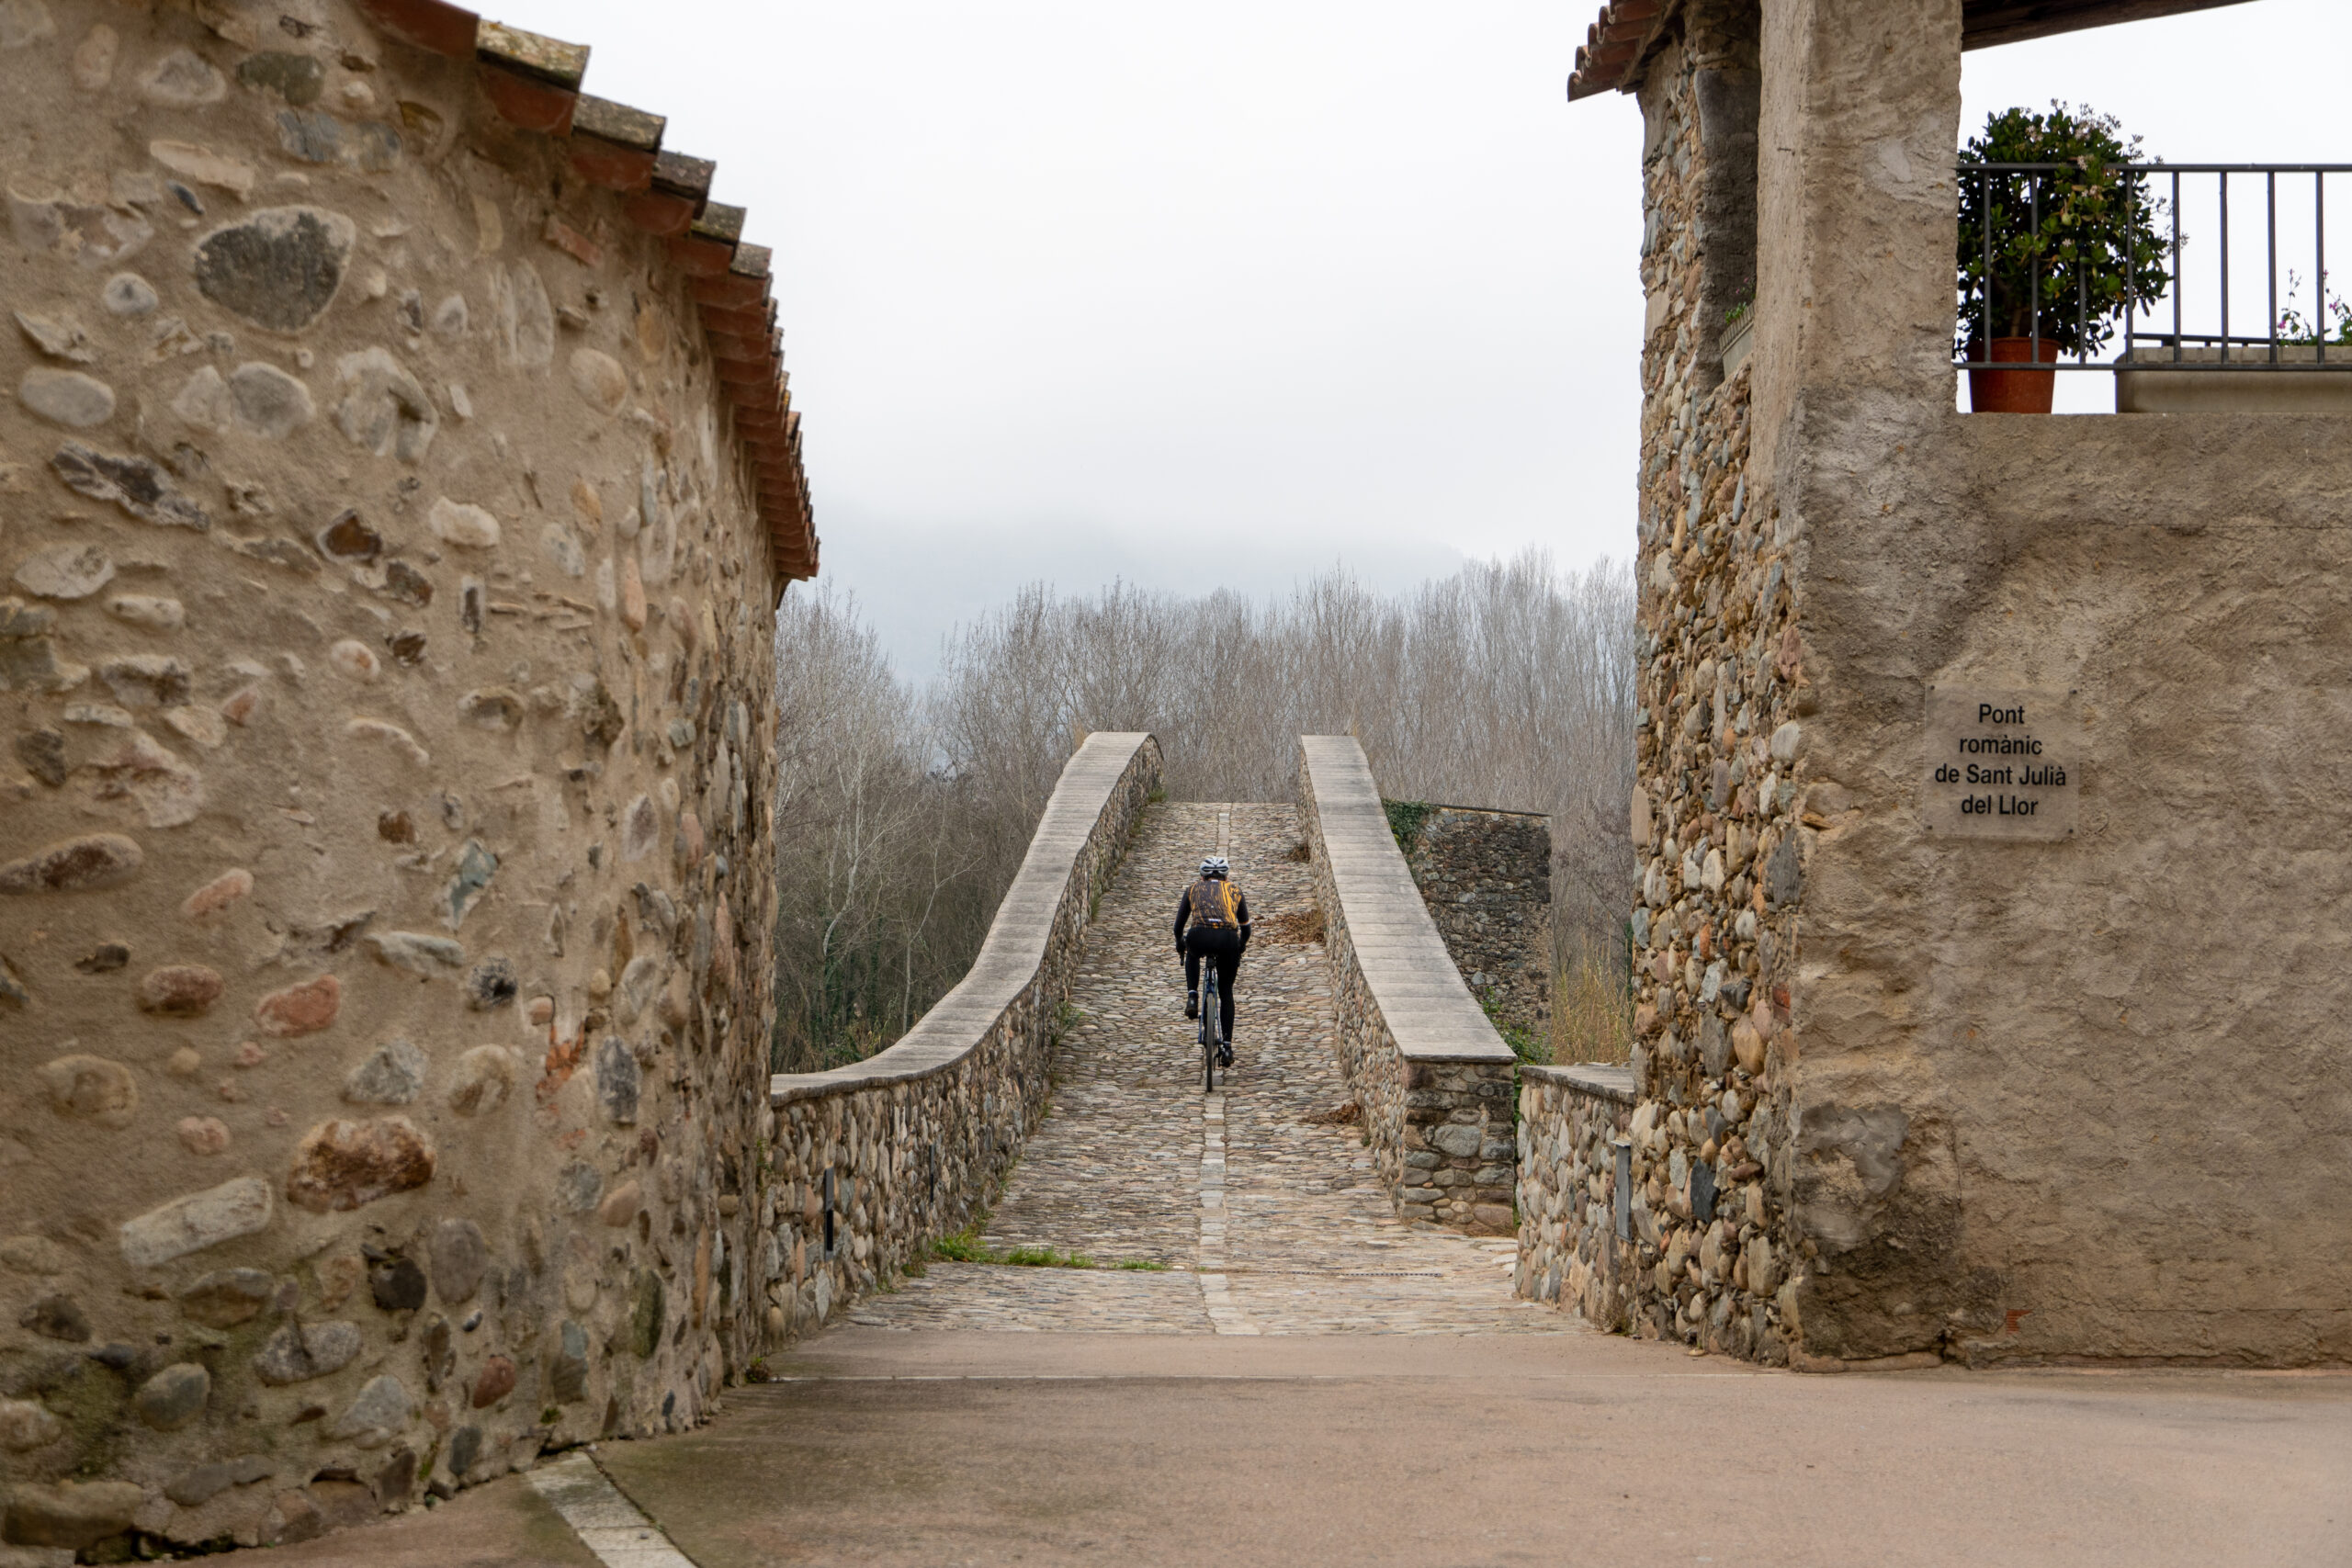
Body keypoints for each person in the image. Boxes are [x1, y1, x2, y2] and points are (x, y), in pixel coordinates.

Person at [1173, 854, 1250, 1066]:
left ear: (1202, 876)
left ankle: (1192, 996)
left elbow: (1178, 927)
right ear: (1226, 876)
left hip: (1200, 935)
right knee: (1226, 991)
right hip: (1227, 940)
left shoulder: (1193, 889)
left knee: (1192, 951)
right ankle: (1226, 1046)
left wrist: (1181, 943)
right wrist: (1240, 946)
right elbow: (1246, 928)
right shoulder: (1235, 890)